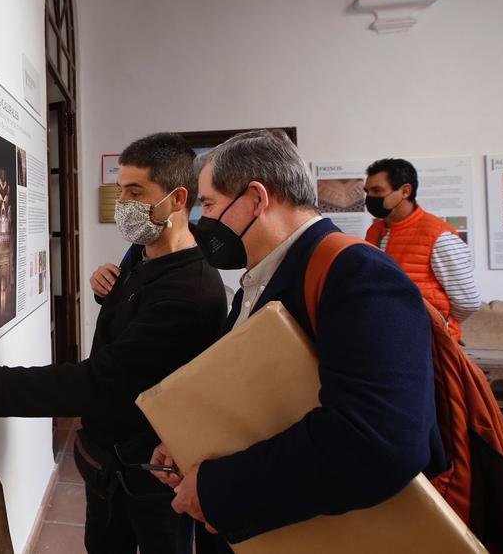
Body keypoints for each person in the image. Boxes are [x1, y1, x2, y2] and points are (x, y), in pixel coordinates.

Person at [0, 132, 228, 554]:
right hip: (109, 464)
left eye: (135, 191)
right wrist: (106, 288)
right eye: (120, 189)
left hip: (152, 474)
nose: (122, 203)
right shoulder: (144, 254)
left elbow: (104, 380)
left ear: (177, 199)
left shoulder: (192, 291)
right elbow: (135, 320)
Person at [154, 129, 445, 547]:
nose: (205, 221)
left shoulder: (358, 274)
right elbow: (255, 388)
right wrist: (191, 439)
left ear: (256, 198)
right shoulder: (269, 272)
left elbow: (379, 441)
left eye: (212, 204)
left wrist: (220, 488)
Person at [363, 158, 480, 342]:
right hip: (388, 335)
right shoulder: (375, 231)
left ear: (405, 191)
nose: (370, 197)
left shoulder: (439, 235)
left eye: (377, 190)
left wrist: (439, 322)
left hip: (428, 341)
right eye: (367, 191)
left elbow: (467, 301)